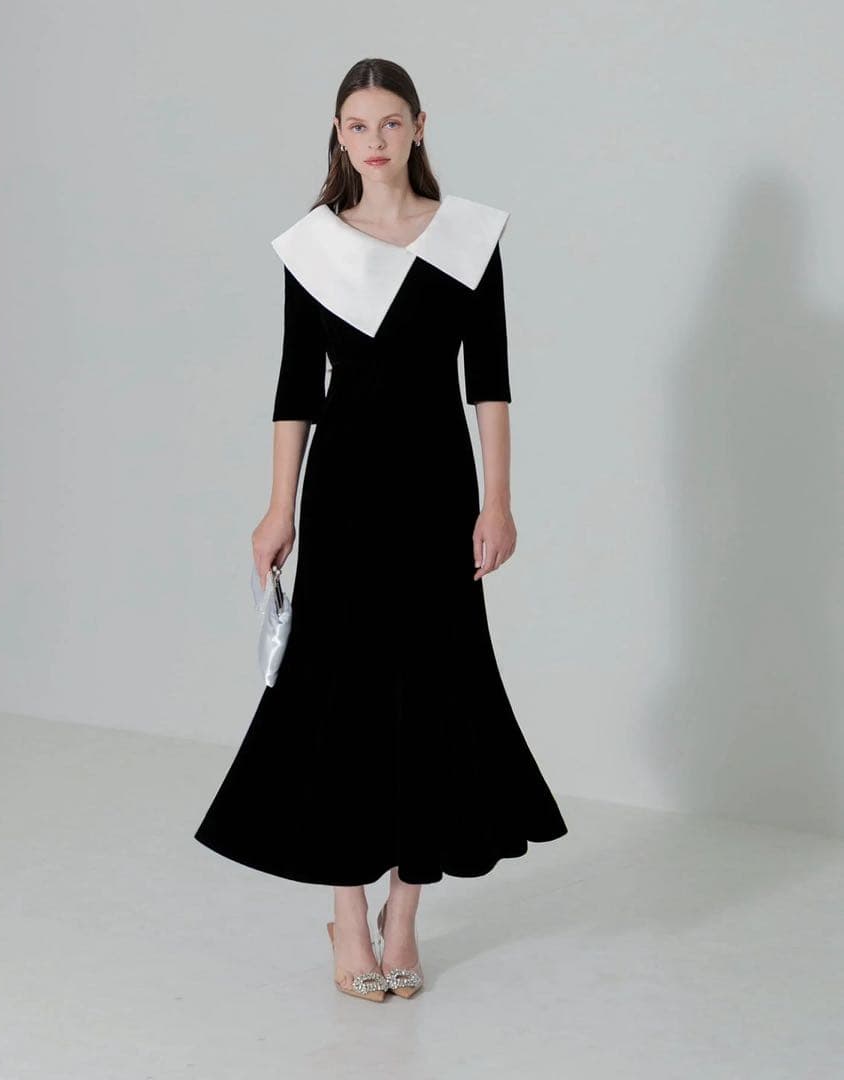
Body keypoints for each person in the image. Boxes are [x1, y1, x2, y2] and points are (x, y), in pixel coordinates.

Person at [194, 57, 568, 1003]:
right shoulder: (315, 247)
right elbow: (296, 388)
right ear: (338, 134)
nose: (374, 140)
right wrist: (279, 507)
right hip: (347, 493)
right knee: (343, 697)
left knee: (432, 691)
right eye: (357, 126)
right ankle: (348, 914)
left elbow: (490, 381)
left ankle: (405, 914)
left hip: (439, 489)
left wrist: (498, 501)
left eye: (390, 123)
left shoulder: (467, 237)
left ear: (419, 127)